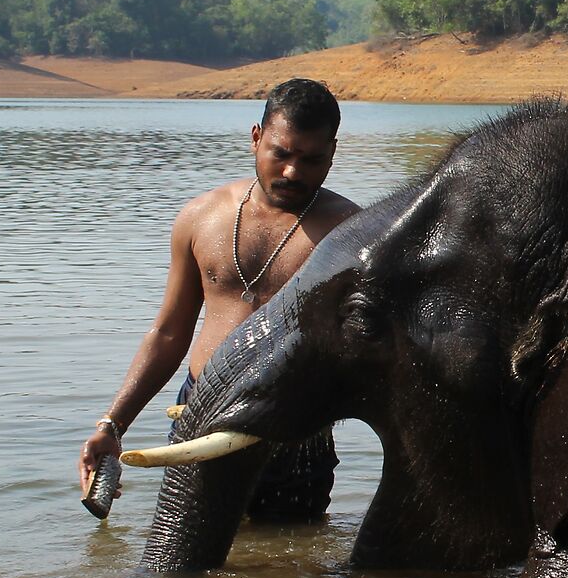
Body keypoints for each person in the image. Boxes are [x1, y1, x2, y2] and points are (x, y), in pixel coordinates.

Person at [78, 77, 358, 519]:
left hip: (294, 423)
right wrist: (113, 425)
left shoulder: (352, 234)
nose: (292, 172)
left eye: (311, 159)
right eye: (281, 153)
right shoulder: (201, 217)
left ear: (332, 154)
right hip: (199, 409)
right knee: (183, 569)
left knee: (290, 563)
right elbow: (170, 332)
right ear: (255, 138)